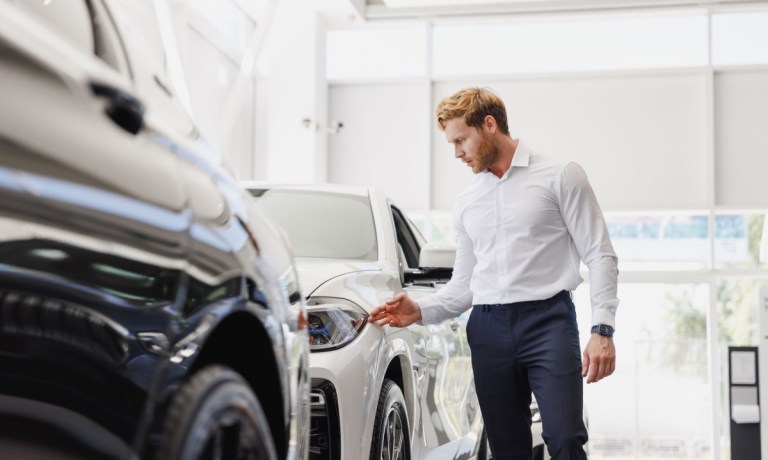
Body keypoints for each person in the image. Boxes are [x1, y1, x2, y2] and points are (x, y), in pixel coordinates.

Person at [368, 87, 619, 460]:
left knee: (565, 437)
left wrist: (603, 329)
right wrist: (419, 309)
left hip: (549, 321)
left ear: (489, 125)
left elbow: (600, 254)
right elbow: (464, 287)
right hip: (488, 328)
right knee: (506, 449)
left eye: (461, 140)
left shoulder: (560, 175)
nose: (456, 153)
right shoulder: (468, 202)